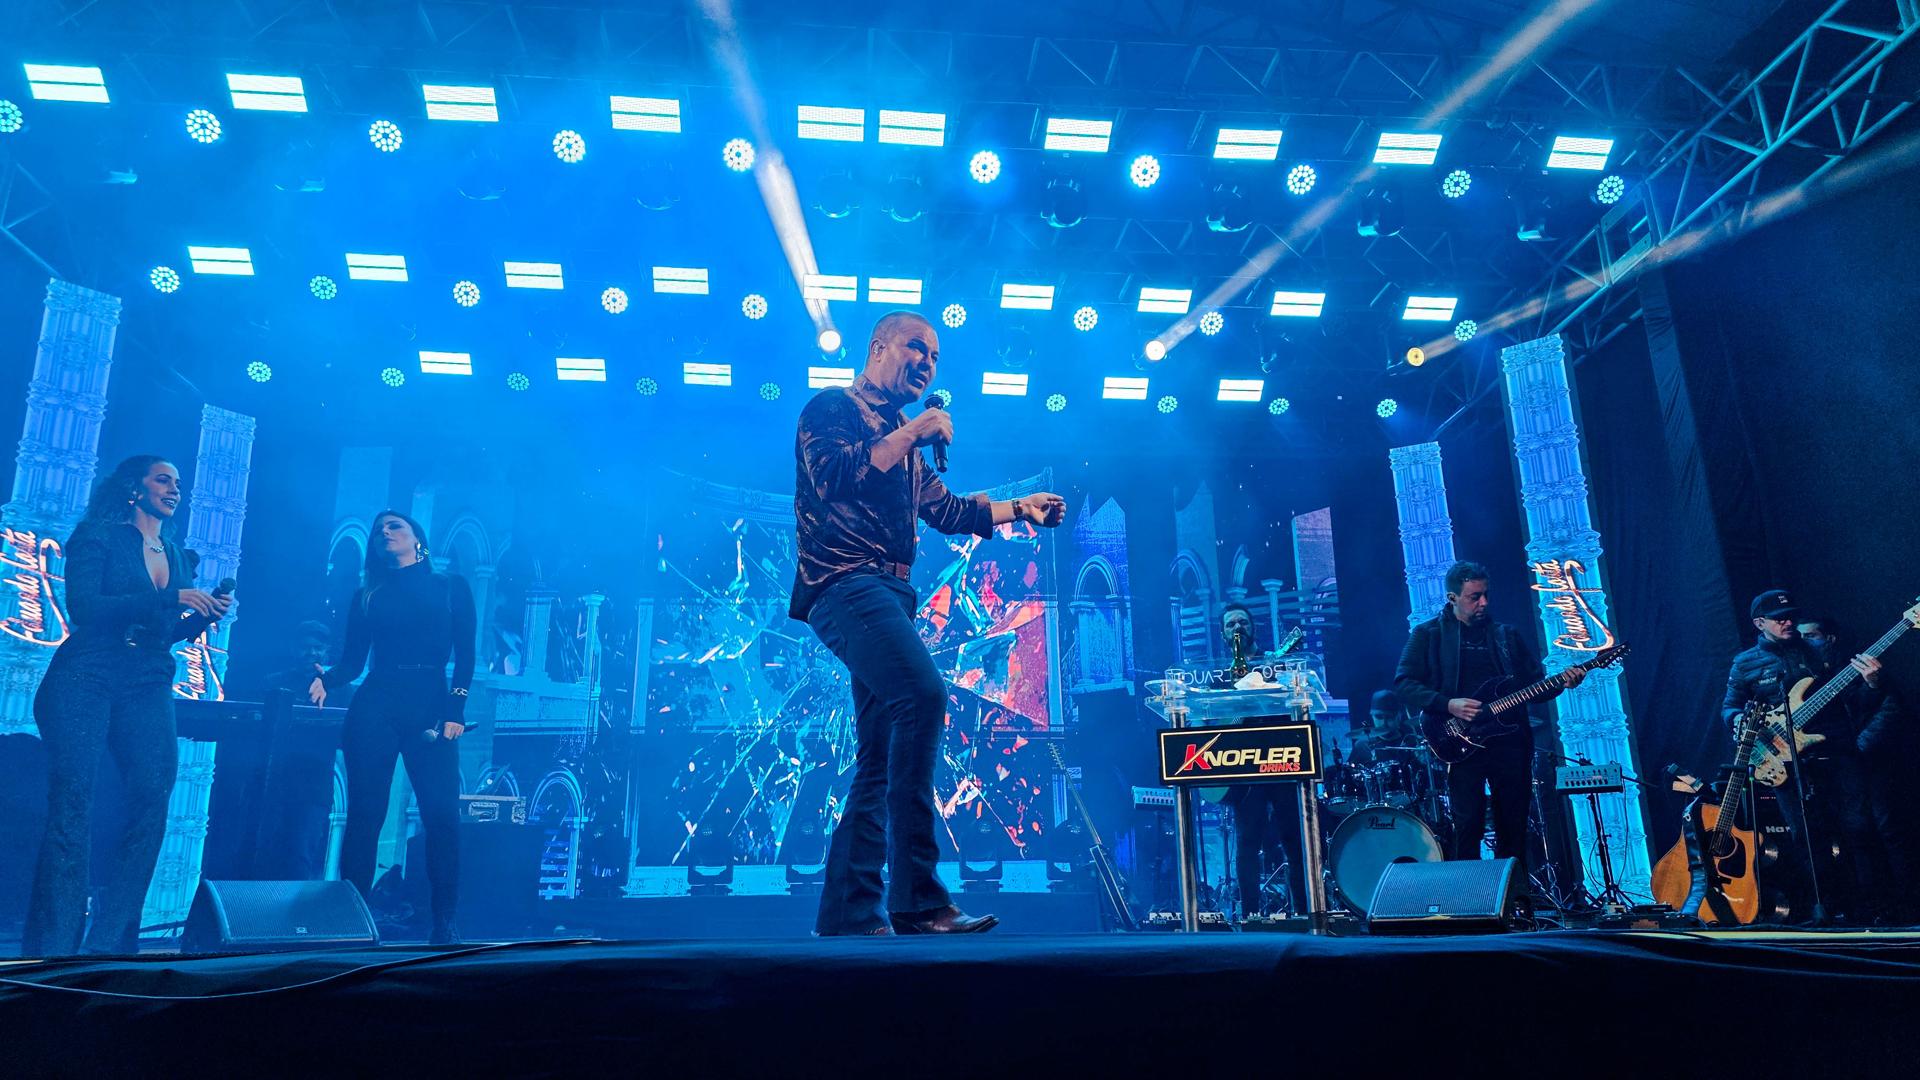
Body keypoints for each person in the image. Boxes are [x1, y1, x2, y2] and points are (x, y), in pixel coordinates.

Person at [792, 310, 1067, 936]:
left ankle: (847, 914)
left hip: (889, 593)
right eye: (917, 347)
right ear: (877, 348)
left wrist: (1020, 508)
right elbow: (834, 477)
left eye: (936, 357)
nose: (927, 363)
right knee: (922, 696)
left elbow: (947, 512)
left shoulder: (902, 438)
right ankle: (918, 901)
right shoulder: (831, 409)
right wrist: (916, 431)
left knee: (880, 754)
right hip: (844, 581)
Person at [23, 456, 231, 955]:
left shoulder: (177, 555)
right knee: (74, 802)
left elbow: (164, 631)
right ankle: (54, 946)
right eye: (163, 479)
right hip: (87, 674)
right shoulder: (98, 536)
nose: (174, 489)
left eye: (178, 482)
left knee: (153, 796)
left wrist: (201, 617)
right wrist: (170, 598)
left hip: (147, 678)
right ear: (134, 488)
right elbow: (85, 608)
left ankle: (112, 943)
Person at [310, 511, 475, 943]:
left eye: (394, 526)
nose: (385, 532)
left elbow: (466, 654)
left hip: (431, 703)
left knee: (442, 815)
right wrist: (326, 679)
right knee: (366, 814)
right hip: (377, 703)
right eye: (378, 530)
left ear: (418, 538)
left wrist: (455, 710)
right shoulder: (368, 594)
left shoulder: (451, 587)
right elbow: (353, 662)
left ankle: (445, 921)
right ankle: (352, 921)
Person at [1723, 589, 1905, 922]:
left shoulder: (1820, 652)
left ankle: (1875, 907)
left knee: (1858, 828)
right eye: (1779, 619)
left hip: (1836, 752)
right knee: (1806, 836)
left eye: (1791, 616)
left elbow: (1856, 703)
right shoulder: (1745, 663)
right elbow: (1730, 707)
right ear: (1759, 623)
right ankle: (1827, 909)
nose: (1788, 622)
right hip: (1782, 760)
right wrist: (1736, 720)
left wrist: (1872, 684)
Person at [1394, 561, 1582, 867]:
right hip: (1460, 741)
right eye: (1474, 597)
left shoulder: (1505, 636)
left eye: (1486, 595)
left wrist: (1563, 683)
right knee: (1468, 825)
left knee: (1514, 826)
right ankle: (1469, 894)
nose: (1483, 603)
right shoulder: (1428, 634)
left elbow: (1535, 687)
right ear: (1452, 597)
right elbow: (1404, 683)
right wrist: (1448, 704)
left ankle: (1513, 893)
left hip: (1510, 743)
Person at [1216, 603, 1304, 919]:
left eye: (1242, 622)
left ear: (1253, 627)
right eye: (1230, 624)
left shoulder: (1272, 664)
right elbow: (1211, 717)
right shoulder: (1219, 675)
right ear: (1223, 634)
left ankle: (1304, 911)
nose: (1237, 628)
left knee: (1293, 839)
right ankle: (1250, 916)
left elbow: (1292, 698)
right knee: (1247, 841)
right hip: (1244, 766)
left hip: (1280, 760)